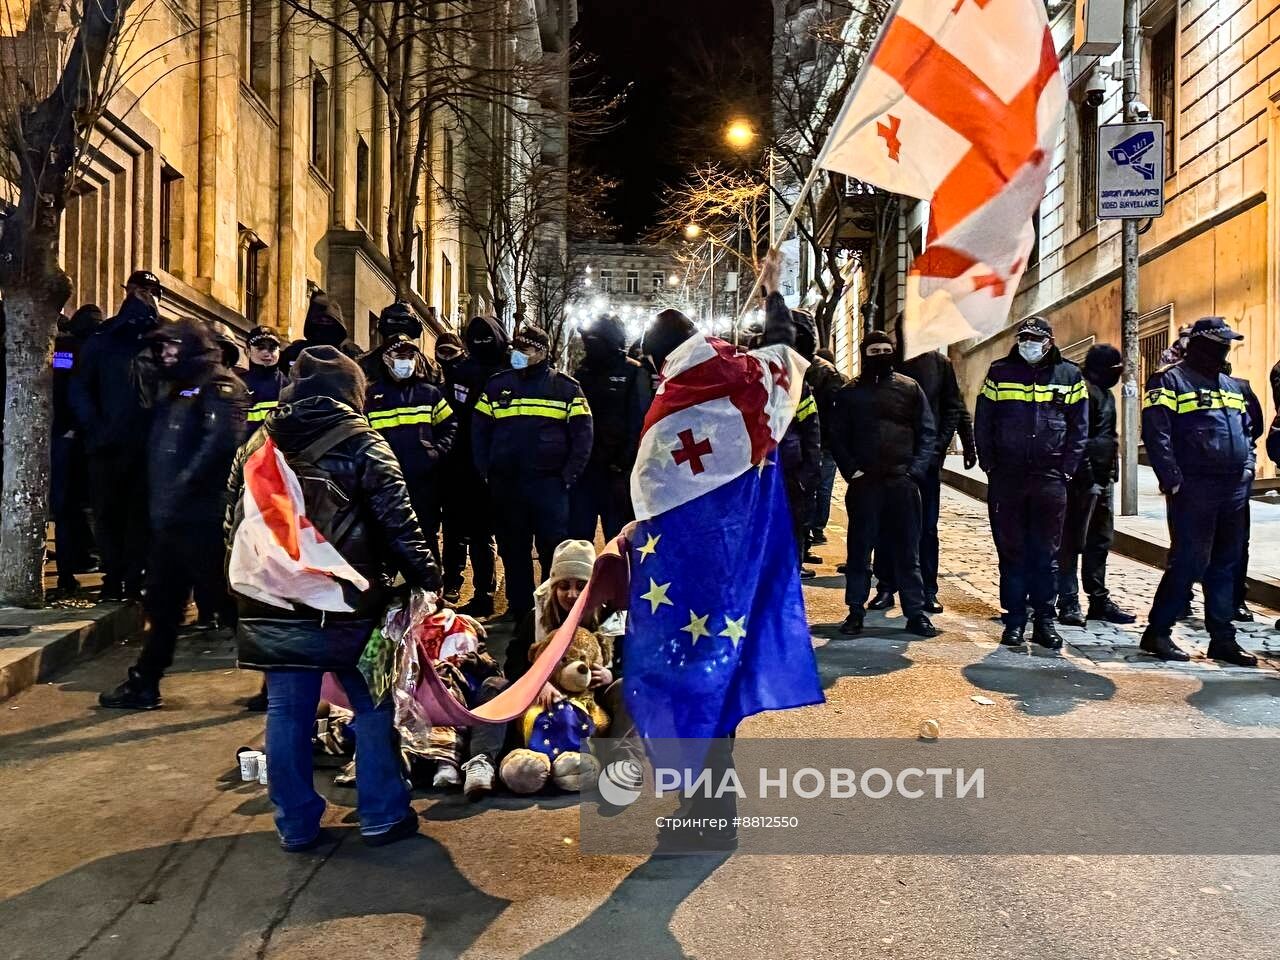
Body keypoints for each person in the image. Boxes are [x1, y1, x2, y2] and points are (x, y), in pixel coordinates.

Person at [226, 346, 441, 851]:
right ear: (351, 392)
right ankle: (382, 813)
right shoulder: (365, 443)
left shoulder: (256, 446)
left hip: (270, 597)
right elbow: (399, 524)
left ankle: (295, 824)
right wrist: (425, 577)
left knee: (286, 710)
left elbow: (230, 522)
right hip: (349, 599)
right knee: (371, 702)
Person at [98, 320, 248, 709]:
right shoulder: (178, 388)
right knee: (163, 605)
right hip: (173, 519)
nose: (164, 354)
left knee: (225, 602)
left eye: (171, 347)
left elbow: (220, 445)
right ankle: (144, 683)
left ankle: (279, 678)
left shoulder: (219, 386)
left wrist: (183, 486)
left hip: (203, 520)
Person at [1140, 317, 1258, 665]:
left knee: (1226, 564)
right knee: (1190, 562)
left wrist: (1248, 467)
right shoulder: (1169, 380)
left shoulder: (1231, 385)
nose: (1225, 349)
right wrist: (1172, 479)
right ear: (1202, 344)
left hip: (1233, 487)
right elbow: (1157, 433)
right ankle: (1158, 632)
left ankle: (1222, 639)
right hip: (1194, 486)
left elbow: (1247, 430)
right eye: (1220, 343)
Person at [974, 316, 1087, 651]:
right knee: (1011, 552)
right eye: (1023, 337)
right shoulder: (1000, 371)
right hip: (1008, 476)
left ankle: (1045, 622)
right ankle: (1014, 621)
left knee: (1046, 554)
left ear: (1048, 341)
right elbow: (984, 421)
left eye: (1034, 338)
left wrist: (1067, 469)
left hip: (1050, 478)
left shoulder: (1069, 375)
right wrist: (990, 463)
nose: (1028, 343)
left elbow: (1079, 429)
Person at [473, 324, 593, 620]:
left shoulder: (566, 388)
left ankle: (550, 613)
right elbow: (479, 431)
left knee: (552, 551)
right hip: (507, 485)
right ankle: (518, 611)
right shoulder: (497, 385)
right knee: (513, 550)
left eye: (524, 350)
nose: (517, 354)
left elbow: (583, 436)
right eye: (515, 349)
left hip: (549, 486)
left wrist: (568, 477)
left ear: (541, 352)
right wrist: (486, 470)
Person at [829, 330, 938, 638]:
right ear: (865, 354)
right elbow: (837, 436)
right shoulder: (850, 393)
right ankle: (855, 611)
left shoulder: (909, 389)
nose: (880, 355)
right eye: (874, 350)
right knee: (859, 551)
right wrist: (852, 471)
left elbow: (926, 432)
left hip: (901, 482)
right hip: (866, 485)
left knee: (908, 551)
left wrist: (915, 471)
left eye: (884, 349)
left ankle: (915, 613)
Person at [69, 269, 163, 600]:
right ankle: (114, 576)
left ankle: (134, 577)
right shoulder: (104, 339)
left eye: (150, 291)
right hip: (107, 445)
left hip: (145, 447)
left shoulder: (160, 341)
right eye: (139, 289)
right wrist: (94, 427)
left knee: (139, 515)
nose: (144, 296)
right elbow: (80, 387)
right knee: (108, 512)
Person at [870, 346, 977, 614]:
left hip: (927, 460)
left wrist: (948, 445)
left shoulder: (940, 363)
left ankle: (928, 590)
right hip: (893, 459)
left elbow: (954, 405)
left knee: (927, 528)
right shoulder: (890, 359)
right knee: (887, 525)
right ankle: (886, 585)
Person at [1056, 344, 1135, 626]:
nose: (1118, 375)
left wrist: (1108, 474)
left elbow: (1105, 438)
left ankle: (1098, 599)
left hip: (1102, 479)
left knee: (1099, 542)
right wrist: (1088, 476)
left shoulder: (1104, 393)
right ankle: (1068, 600)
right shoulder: (1084, 391)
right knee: (1071, 541)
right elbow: (1078, 439)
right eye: (1115, 370)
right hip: (1083, 481)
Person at [364, 334, 456, 561]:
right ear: (386, 358)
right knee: (386, 538)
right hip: (386, 482)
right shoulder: (371, 396)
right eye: (399, 356)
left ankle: (430, 591)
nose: (406, 361)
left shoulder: (429, 393)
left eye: (410, 355)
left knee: (426, 537)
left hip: (423, 481)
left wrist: (435, 453)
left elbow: (450, 427)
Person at [438, 318, 508, 614]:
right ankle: (452, 585)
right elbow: (449, 417)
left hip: (498, 465)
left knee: (484, 534)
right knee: (455, 529)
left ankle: (485, 593)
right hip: (460, 464)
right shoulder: (461, 373)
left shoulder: (508, 372)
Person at [568, 314, 651, 542]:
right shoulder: (583, 372)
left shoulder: (633, 372)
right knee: (578, 543)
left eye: (595, 339)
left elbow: (639, 422)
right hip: (585, 472)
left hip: (617, 475)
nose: (589, 344)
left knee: (619, 544)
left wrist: (622, 463)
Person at [51, 305, 102, 592]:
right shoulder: (71, 349)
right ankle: (78, 564)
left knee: (69, 507)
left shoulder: (67, 348)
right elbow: (66, 389)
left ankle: (71, 568)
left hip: (70, 436)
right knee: (77, 505)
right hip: (77, 437)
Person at [779, 309, 823, 577]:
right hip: (761, 475)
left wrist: (807, 475)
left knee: (794, 528)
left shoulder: (801, 384)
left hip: (793, 474)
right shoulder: (755, 376)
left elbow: (811, 431)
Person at [806, 346, 847, 547]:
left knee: (810, 487)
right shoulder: (835, 376)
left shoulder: (807, 370)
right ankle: (818, 530)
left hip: (814, 439)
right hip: (827, 441)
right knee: (823, 487)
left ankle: (809, 531)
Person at [279, 291, 362, 370]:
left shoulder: (349, 353)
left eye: (328, 321)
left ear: (336, 324)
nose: (323, 324)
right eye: (319, 320)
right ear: (312, 322)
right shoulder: (295, 351)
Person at [359, 301, 427, 382]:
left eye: (403, 321)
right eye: (393, 321)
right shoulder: (368, 363)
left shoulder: (429, 367)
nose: (399, 339)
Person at [238, 325, 288, 425]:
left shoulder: (288, 385)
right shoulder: (238, 384)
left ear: (279, 351)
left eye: (272, 348)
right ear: (247, 351)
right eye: (260, 347)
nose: (266, 353)